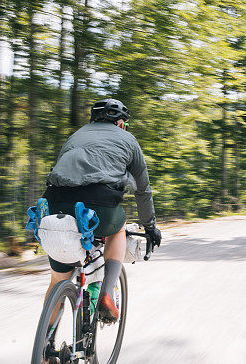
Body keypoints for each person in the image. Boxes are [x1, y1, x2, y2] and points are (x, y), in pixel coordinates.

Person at [42, 98, 161, 323]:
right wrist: (150, 226)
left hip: (56, 207)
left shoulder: (76, 136)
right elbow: (143, 190)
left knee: (57, 280)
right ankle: (107, 292)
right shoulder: (128, 139)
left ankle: (45, 350)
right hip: (101, 207)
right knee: (118, 228)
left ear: (93, 119)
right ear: (120, 123)